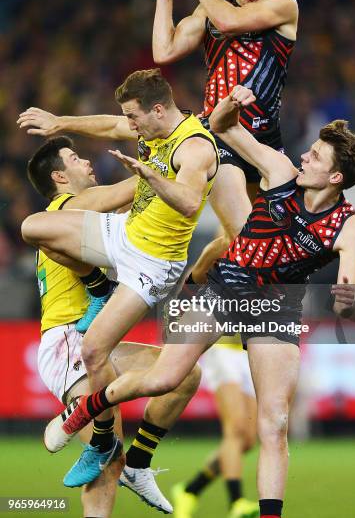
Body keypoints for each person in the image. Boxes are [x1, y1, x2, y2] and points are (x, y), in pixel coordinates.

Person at [29, 85, 355, 518]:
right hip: (225, 288)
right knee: (163, 379)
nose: (305, 156)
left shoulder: (349, 224)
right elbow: (225, 129)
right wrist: (229, 108)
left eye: (317, 157)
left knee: (274, 423)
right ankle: (82, 415)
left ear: (336, 178)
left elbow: (350, 272)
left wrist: (345, 297)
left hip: (275, 308)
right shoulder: (282, 172)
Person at [20, 68, 218, 490]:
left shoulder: (192, 147)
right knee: (31, 227)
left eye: (133, 116)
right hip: (114, 255)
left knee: (177, 375)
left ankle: (123, 451)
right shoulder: (75, 201)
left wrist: (148, 174)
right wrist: (61, 122)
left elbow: (186, 201)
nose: (128, 126)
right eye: (75, 159)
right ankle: (99, 291)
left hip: (150, 262)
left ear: (158, 110)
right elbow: (113, 131)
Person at [151, 0, 298, 282]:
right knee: (249, 238)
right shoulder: (209, 6)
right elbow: (164, 52)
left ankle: (198, 277)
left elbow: (230, 21)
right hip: (219, 136)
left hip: (264, 142)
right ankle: (257, 330)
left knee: (265, 236)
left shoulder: (284, 5)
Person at [172, 337, 258, 518]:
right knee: (235, 429)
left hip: (248, 353)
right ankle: (237, 502)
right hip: (222, 348)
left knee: (248, 440)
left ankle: (191, 490)